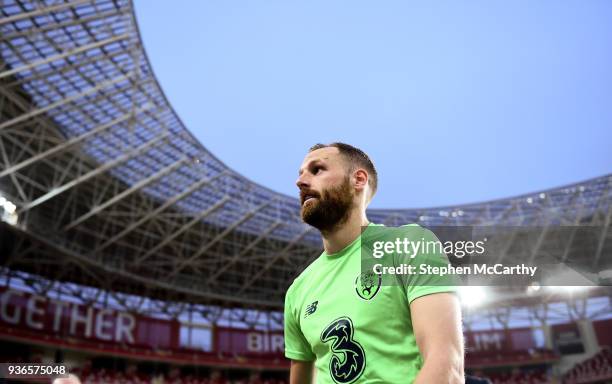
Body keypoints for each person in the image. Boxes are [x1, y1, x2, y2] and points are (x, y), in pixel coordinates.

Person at [284, 143, 464, 383]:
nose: (301, 182)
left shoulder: (407, 245)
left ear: (358, 179)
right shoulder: (299, 289)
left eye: (317, 170)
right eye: (300, 174)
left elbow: (446, 366)